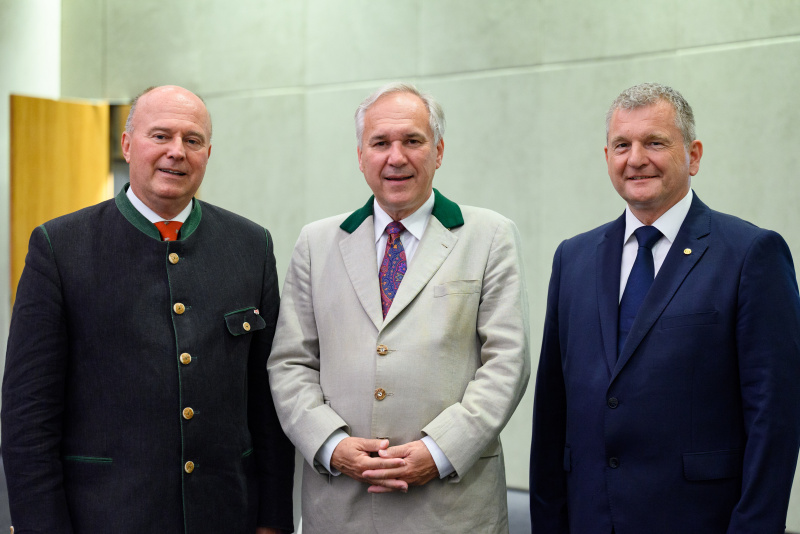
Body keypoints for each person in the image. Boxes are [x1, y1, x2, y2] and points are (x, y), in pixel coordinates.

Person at [2, 85, 295, 534]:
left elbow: (268, 400)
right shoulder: (60, 248)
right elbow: (28, 418)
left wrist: (273, 520)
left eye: (192, 140)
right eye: (160, 136)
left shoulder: (251, 246)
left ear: (208, 153)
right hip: (106, 517)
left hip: (225, 516)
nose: (177, 152)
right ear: (127, 144)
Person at [529, 82, 800, 533]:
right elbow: (551, 413)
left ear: (693, 155)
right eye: (622, 145)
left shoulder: (752, 254)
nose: (636, 159)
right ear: (607, 156)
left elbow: (775, 420)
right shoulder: (573, 258)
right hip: (589, 519)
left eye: (655, 142)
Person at [267, 82, 530, 533]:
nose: (396, 157)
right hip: (341, 508)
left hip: (452, 507)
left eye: (412, 141)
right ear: (360, 155)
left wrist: (441, 449)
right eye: (381, 143)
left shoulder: (489, 236)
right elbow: (291, 363)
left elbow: (507, 363)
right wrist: (330, 444)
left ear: (439, 151)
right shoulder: (316, 243)